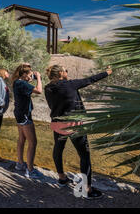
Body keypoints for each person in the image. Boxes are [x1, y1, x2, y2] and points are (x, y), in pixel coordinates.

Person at [44, 64, 112, 200]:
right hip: (74, 126)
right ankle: (87, 189)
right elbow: (90, 79)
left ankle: (62, 178)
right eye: (65, 70)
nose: (67, 72)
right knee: (84, 155)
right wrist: (107, 72)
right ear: (60, 74)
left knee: (58, 149)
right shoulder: (70, 85)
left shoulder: (48, 88)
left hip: (57, 124)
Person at [12, 64, 44, 179]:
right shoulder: (22, 83)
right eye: (30, 74)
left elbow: (26, 88)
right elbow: (39, 90)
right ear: (24, 74)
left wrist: (30, 79)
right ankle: (30, 170)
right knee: (33, 142)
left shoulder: (17, 82)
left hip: (19, 114)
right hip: (25, 115)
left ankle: (20, 164)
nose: (32, 76)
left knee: (22, 139)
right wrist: (39, 78)